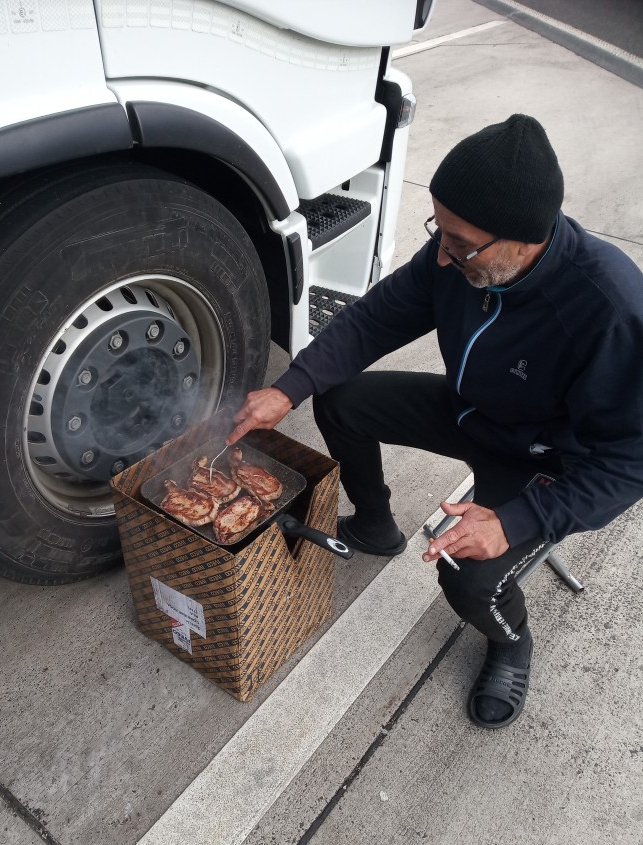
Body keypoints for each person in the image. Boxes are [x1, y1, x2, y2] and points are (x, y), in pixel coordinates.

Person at [226, 114, 643, 729]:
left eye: (459, 242)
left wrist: (517, 520)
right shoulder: (458, 258)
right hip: (471, 410)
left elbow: (628, 461)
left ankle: (510, 640)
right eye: (437, 231)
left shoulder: (609, 309)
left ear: (522, 242)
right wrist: (289, 389)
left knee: (467, 576)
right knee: (339, 401)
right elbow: (375, 319)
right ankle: (375, 523)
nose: (442, 255)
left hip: (543, 460)